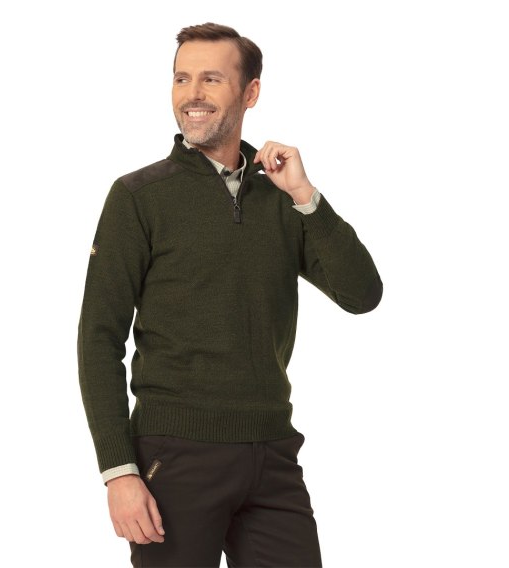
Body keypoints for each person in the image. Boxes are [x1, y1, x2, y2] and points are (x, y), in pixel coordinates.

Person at [77, 22, 383, 567]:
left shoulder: (281, 197)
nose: (191, 94)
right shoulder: (138, 197)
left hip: (273, 453)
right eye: (181, 78)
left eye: (211, 79)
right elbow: (99, 338)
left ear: (250, 92)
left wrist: (305, 196)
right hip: (174, 457)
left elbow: (362, 294)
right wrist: (119, 471)